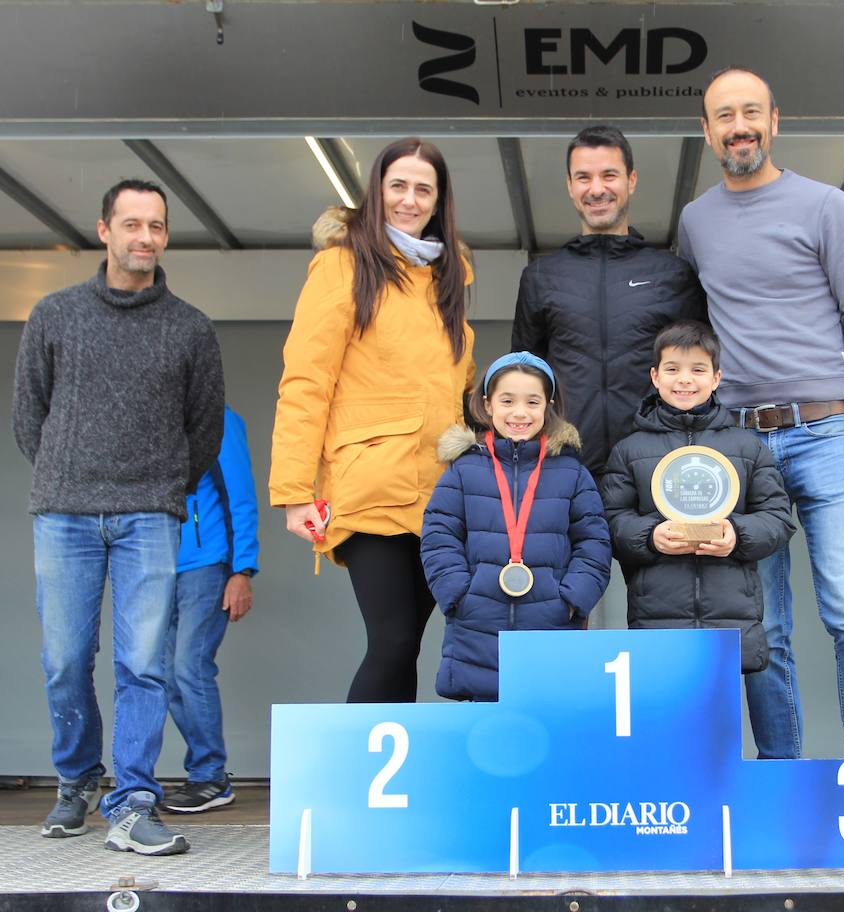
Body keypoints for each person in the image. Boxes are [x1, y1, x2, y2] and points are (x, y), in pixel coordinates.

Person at [676, 66, 844, 760]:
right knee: (762, 628)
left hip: (833, 433)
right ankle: (782, 778)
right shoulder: (694, 222)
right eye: (724, 116)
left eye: (751, 113)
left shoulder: (826, 205)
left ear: (775, 121)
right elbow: (692, 335)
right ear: (706, 131)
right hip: (739, 443)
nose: (738, 126)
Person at [12, 178, 223, 856]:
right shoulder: (54, 314)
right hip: (64, 513)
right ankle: (75, 780)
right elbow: (29, 416)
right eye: (131, 224)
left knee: (144, 664)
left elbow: (205, 430)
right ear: (103, 230)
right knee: (64, 660)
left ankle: (132, 800)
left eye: (156, 226)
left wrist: (160, 486)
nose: (145, 237)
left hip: (149, 518)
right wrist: (67, 474)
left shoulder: (190, 327)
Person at [270, 138, 476, 704]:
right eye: (397, 187)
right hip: (370, 486)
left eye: (422, 190)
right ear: (377, 192)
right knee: (390, 641)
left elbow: (460, 388)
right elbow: (306, 380)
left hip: (440, 492)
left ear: (439, 201)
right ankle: (357, 784)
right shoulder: (342, 265)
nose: (409, 200)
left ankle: (395, 784)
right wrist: (293, 490)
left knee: (407, 643)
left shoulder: (447, 278)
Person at [599, 321, 796, 673]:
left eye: (698, 369)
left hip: (732, 619)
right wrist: (650, 536)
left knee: (721, 722)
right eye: (673, 369)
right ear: (655, 376)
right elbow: (611, 520)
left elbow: (778, 517)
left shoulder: (747, 447)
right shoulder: (629, 450)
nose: (685, 379)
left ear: (717, 378)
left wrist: (737, 535)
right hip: (656, 617)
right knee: (665, 719)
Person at [511, 124, 706, 477]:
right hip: (563, 466)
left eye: (609, 175)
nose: (597, 189)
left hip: (653, 466)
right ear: (570, 186)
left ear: (631, 180)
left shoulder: (672, 274)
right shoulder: (541, 276)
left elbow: (697, 374)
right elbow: (523, 376)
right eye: (583, 177)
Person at [420, 353, 612, 701]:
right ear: (487, 405)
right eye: (507, 401)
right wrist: (459, 594)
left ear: (548, 406)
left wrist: (571, 599)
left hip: (551, 621)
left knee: (551, 724)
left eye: (532, 402)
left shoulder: (571, 472)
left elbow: (594, 543)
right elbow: (439, 537)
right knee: (483, 737)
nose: (520, 413)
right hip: (476, 624)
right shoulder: (462, 471)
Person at [160, 404, 259, 814]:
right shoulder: (150, 414)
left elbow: (241, 496)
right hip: (157, 565)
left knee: (190, 665)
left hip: (207, 564)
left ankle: (210, 776)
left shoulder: (217, 418)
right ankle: (203, 772)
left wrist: (243, 569)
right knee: (164, 674)